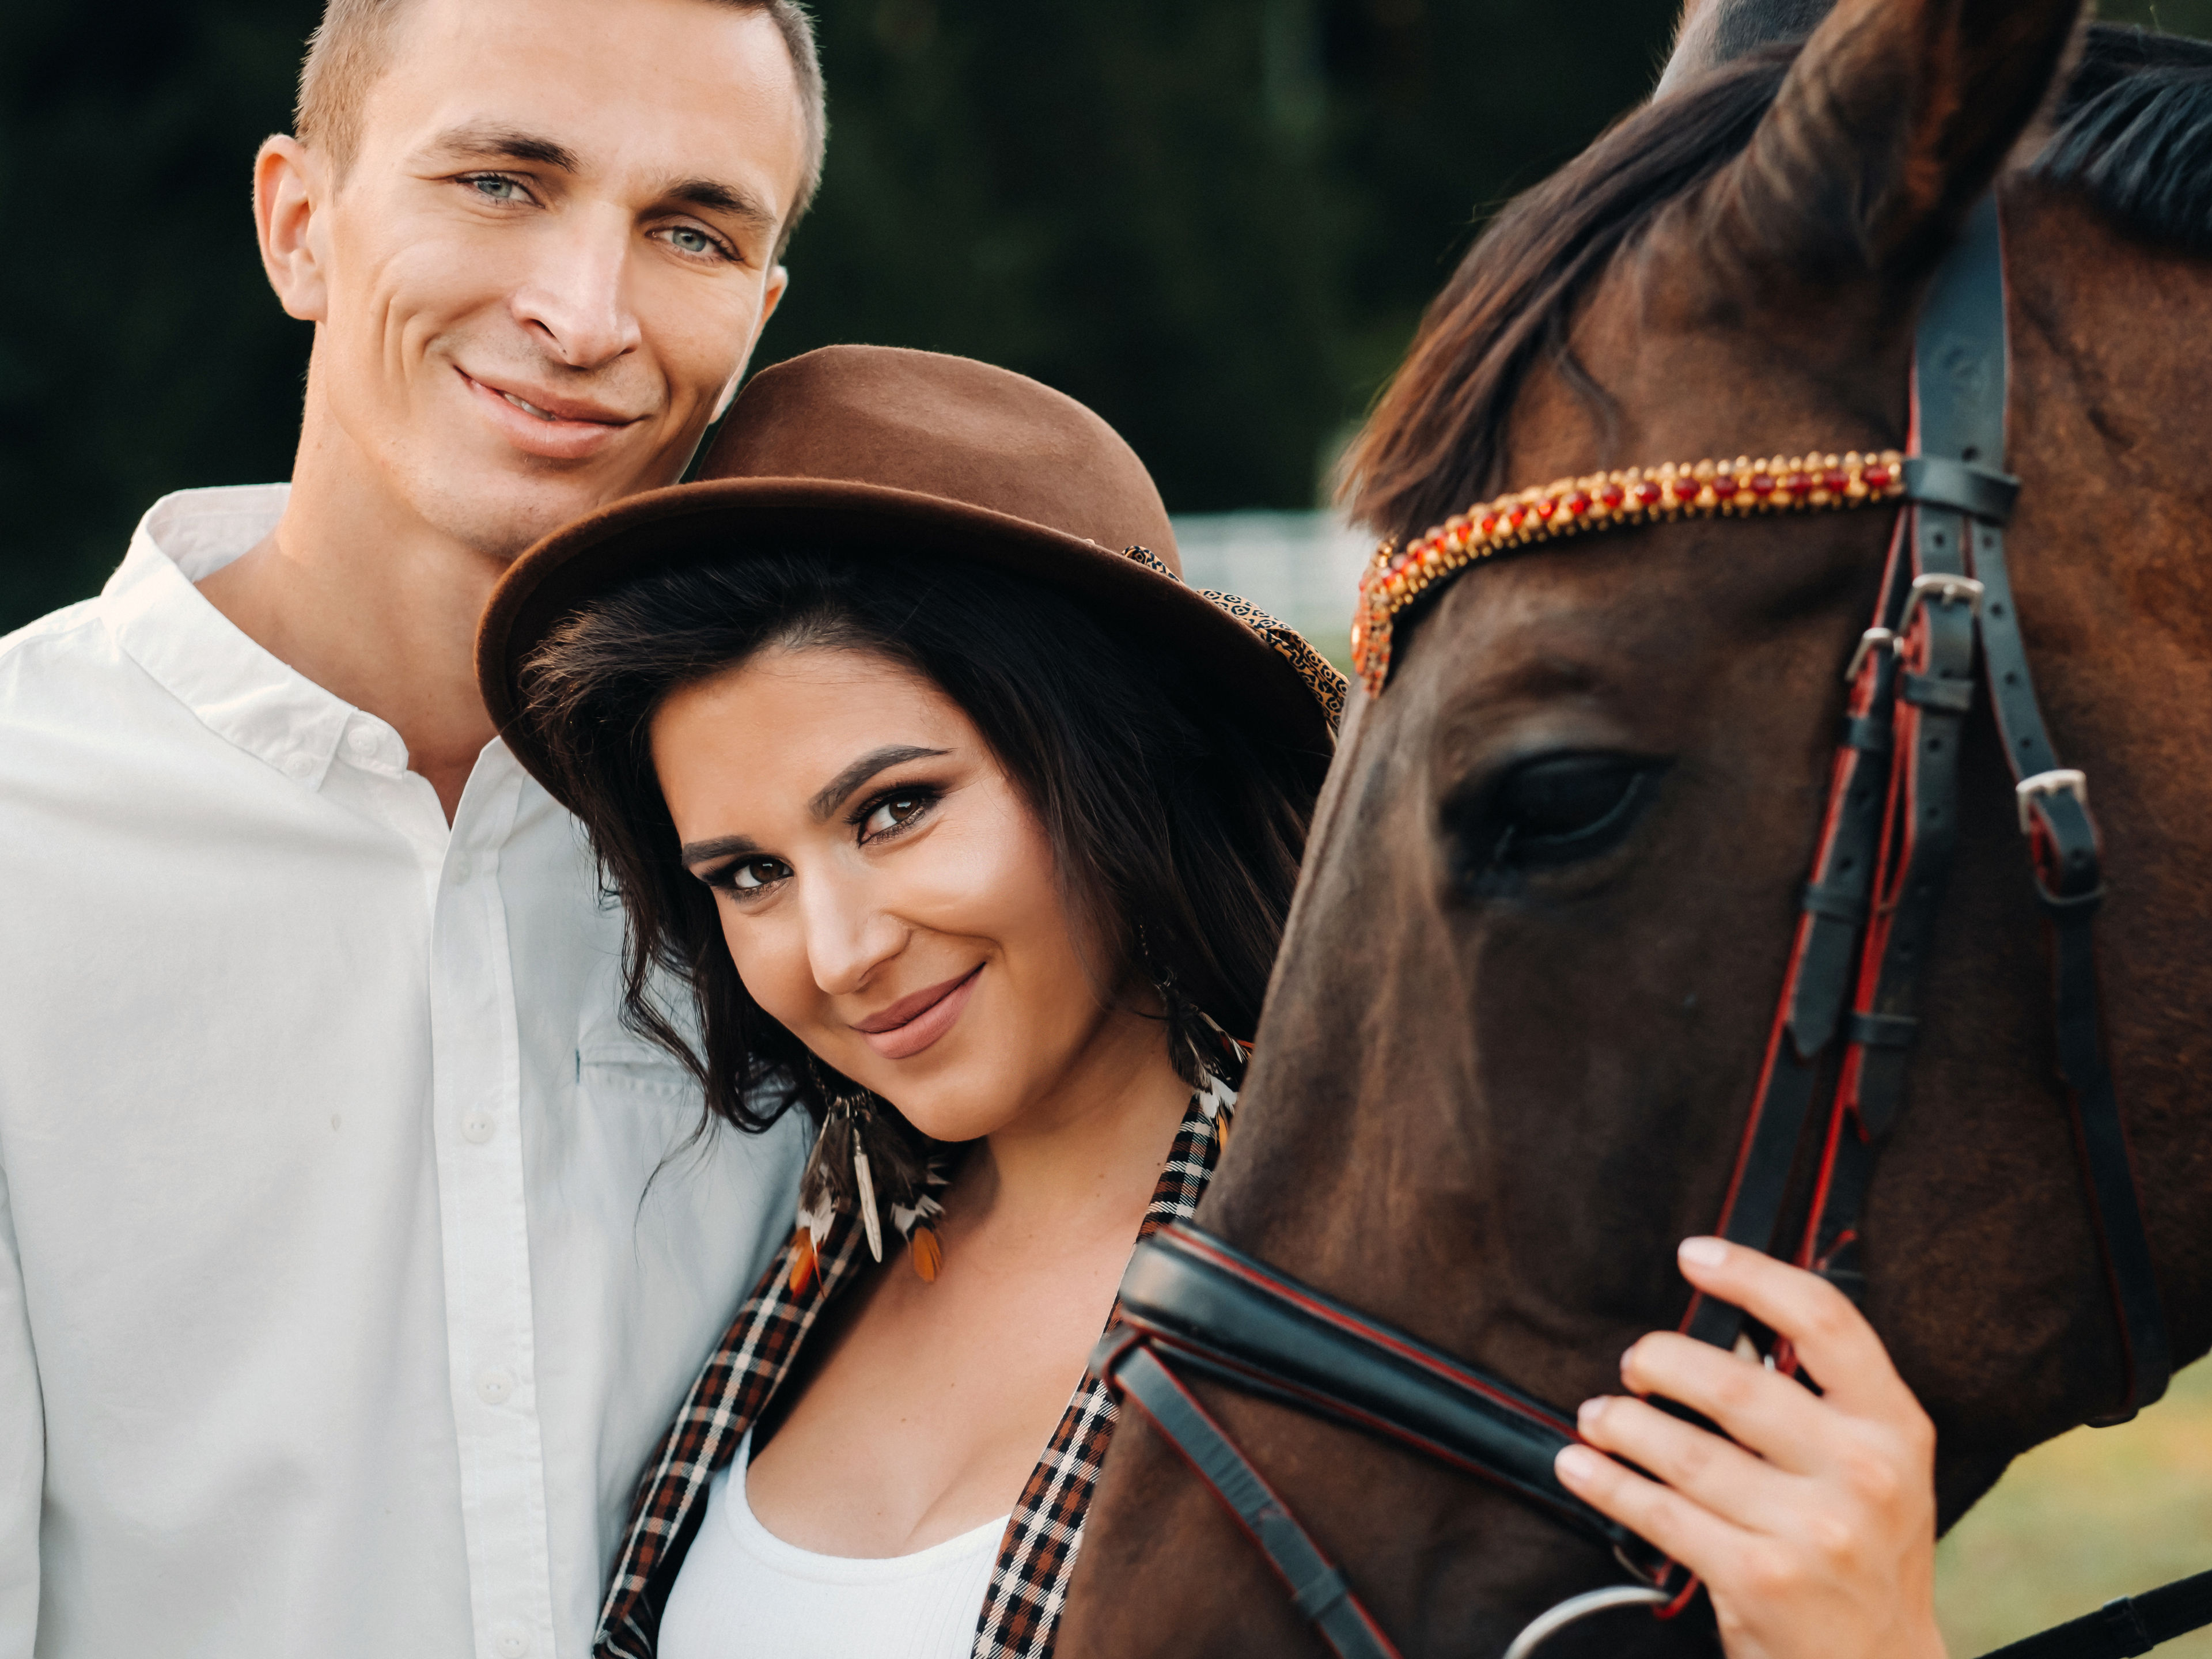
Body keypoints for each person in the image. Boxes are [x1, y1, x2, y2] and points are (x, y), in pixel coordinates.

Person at [481, 343, 1955, 1659]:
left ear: (1114, 764)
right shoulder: (778, 1255)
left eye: (895, 811)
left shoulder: (1423, 1293)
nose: (839, 946)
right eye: (746, 876)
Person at [0, 1, 823, 1653]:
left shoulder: (818, 854)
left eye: (690, 229)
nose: (586, 315)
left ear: (760, 309)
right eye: (506, 184)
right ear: (299, 224)